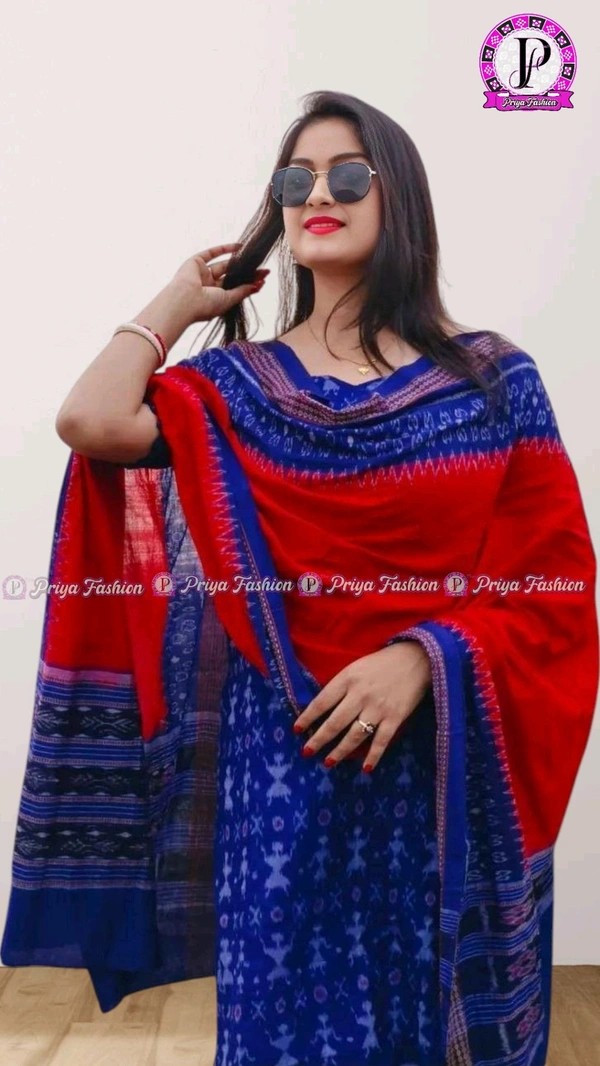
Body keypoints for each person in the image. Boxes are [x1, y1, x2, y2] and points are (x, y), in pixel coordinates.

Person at [2, 90, 598, 1066]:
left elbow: (554, 590)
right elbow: (91, 420)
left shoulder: (492, 383)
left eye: (348, 175)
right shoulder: (237, 390)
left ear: (399, 198)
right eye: (296, 180)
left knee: (422, 1018)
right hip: (284, 760)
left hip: (436, 761)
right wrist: (176, 302)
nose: (318, 194)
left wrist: (424, 656)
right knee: (282, 1026)